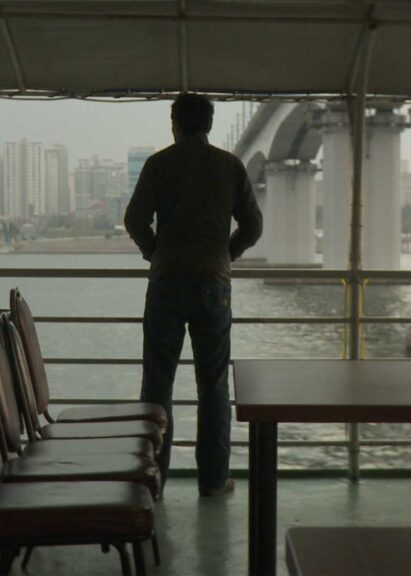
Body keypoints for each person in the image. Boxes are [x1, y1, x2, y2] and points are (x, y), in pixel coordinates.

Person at [124, 93, 263, 497]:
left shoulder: (159, 164)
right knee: (214, 386)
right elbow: (253, 226)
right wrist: (227, 253)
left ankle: (153, 482)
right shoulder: (229, 166)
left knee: (157, 385)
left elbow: (134, 219)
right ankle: (214, 481)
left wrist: (154, 250)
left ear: (175, 122)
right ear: (209, 124)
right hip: (213, 286)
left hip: (167, 282)